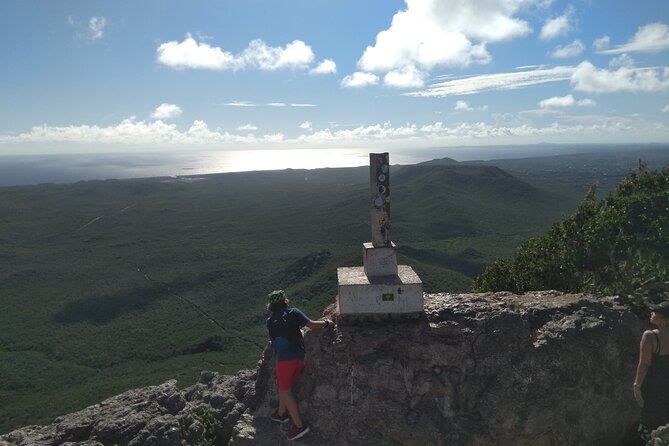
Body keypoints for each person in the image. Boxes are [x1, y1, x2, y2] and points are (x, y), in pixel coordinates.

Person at [266, 289, 333, 441]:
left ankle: (299, 426)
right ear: (285, 302)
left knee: (285, 390)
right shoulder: (294, 313)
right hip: (299, 357)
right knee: (284, 387)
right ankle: (281, 414)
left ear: (270, 306)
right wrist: (328, 323)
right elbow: (312, 325)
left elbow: (276, 341)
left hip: (283, 359)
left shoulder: (269, 321)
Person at [633, 300, 669, 442]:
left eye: (655, 312)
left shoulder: (650, 336)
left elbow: (644, 364)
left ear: (664, 321)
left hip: (653, 386)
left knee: (649, 420)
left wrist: (637, 385)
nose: (651, 313)